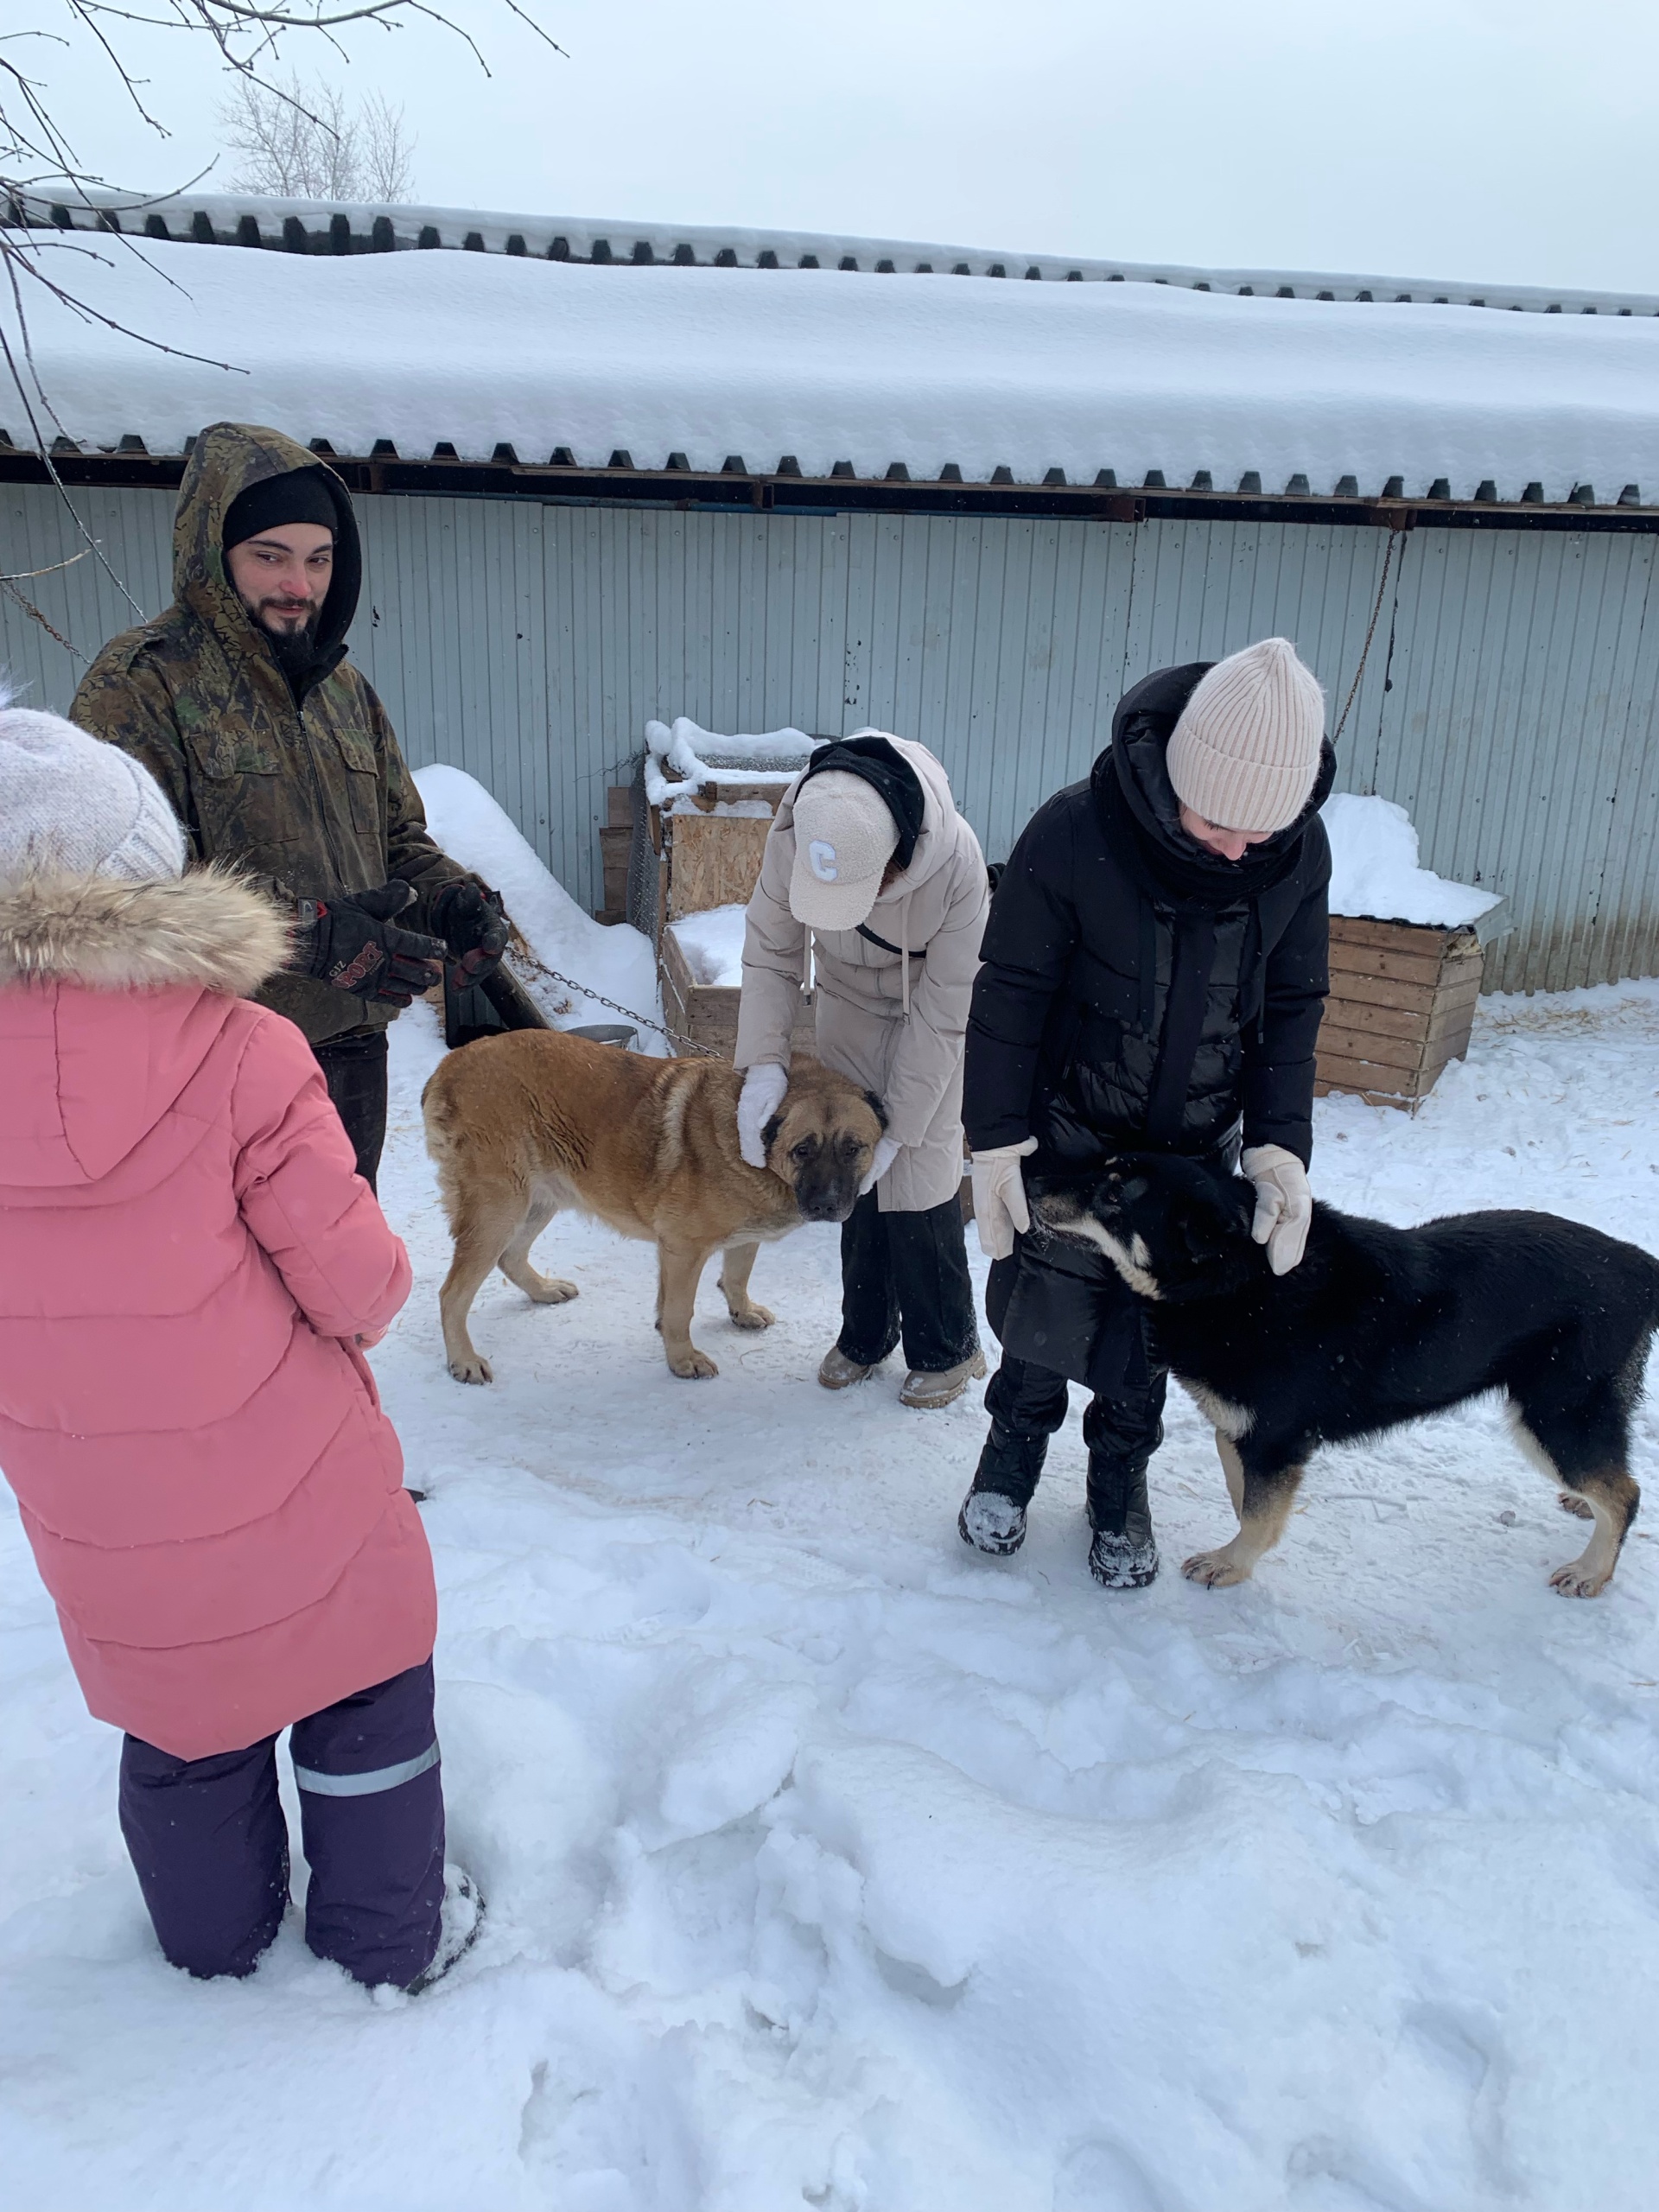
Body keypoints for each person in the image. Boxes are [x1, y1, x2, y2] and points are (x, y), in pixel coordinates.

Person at [0, 703, 475, 1991]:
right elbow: (359, 1287)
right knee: (364, 1682)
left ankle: (211, 1951)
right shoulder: (243, 1048)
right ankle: (384, 1953)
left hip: (95, 1512)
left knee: (180, 1721)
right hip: (288, 1477)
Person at [960, 638, 1333, 1586]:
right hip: (1071, 1131)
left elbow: (1290, 1007)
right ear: (1176, 776)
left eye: (1267, 831)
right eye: (1221, 823)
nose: (1243, 849)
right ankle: (1012, 1448)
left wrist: (1281, 1146)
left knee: (1148, 1342)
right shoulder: (1075, 832)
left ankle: (1120, 1478)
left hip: (1197, 1158)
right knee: (1043, 1317)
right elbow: (1009, 995)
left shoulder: (1296, 852)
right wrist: (995, 1140)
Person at [71, 420, 509, 1189]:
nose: (298, 586)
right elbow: (119, 889)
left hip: (349, 1050)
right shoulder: (142, 684)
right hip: (211, 1057)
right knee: (227, 1289)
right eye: (270, 556)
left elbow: (398, 836)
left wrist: (448, 899)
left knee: (338, 1282)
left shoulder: (346, 692)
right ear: (214, 556)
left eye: (318, 559)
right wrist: (305, 937)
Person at [734, 730, 990, 1408]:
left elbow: (945, 1017)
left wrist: (902, 1126)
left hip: (928, 1012)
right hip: (846, 1003)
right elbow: (770, 954)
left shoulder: (958, 867)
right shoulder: (796, 832)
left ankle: (949, 1347)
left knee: (919, 1172)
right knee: (852, 1171)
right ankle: (865, 1334)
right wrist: (762, 1065)